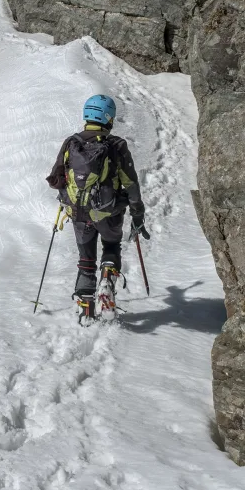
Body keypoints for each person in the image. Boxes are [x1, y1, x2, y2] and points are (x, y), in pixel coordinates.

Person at [45, 95, 149, 321]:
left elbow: (56, 177)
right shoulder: (116, 145)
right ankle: (107, 282)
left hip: (78, 212)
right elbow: (130, 183)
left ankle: (86, 311)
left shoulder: (71, 142)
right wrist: (137, 214)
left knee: (86, 259)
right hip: (108, 211)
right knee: (111, 245)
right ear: (108, 117)